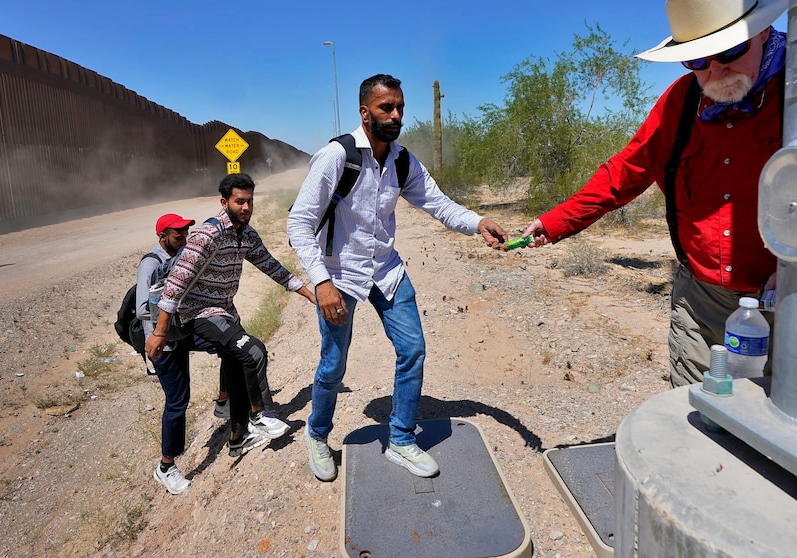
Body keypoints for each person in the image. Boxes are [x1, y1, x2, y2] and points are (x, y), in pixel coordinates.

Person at [520, 0, 784, 388]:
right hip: (701, 300)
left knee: (779, 428)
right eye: (697, 61)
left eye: (729, 51)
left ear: (762, 31)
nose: (715, 71)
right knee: (695, 414)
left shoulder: (791, 93)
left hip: (788, 302)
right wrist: (555, 221)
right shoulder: (681, 103)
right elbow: (623, 173)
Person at [287, 74, 508, 482]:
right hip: (340, 275)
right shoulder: (337, 157)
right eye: (386, 107)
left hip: (387, 270)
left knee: (413, 349)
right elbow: (299, 224)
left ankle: (402, 440)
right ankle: (317, 435)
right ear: (364, 112)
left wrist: (478, 223)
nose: (395, 115)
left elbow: (438, 204)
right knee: (333, 365)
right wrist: (321, 281)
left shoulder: (402, 160)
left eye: (400, 107)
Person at [146, 174, 317, 460]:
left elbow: (271, 267)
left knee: (237, 365)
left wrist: (311, 295)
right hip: (199, 312)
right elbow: (176, 282)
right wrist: (160, 332)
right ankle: (260, 414)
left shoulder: (246, 235)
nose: (246, 207)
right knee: (253, 351)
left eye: (250, 201)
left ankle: (237, 439)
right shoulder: (207, 234)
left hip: (225, 312)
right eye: (240, 201)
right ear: (225, 202)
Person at [138, 213, 227, 494]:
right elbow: (143, 308)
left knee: (227, 344)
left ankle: (225, 402)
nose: (184, 240)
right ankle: (166, 467)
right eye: (178, 236)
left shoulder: (178, 255)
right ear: (162, 236)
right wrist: (170, 302)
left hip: (181, 332)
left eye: (186, 234)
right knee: (178, 402)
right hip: (163, 341)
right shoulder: (150, 264)